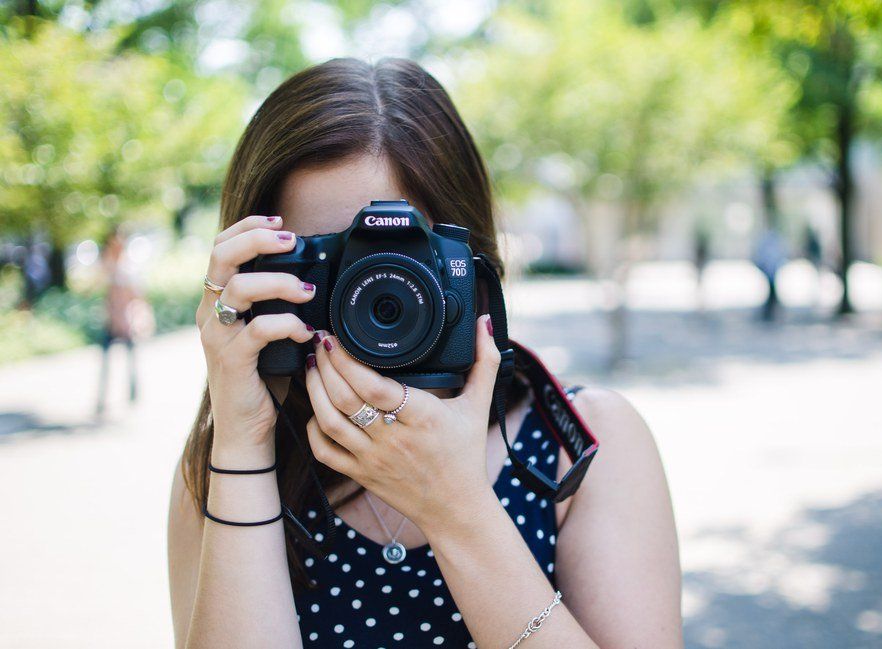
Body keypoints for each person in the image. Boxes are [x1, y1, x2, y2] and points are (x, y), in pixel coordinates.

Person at [168, 58, 681, 649]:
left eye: (398, 258)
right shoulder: (222, 467)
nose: (369, 298)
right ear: (260, 270)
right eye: (331, 264)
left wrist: (454, 507)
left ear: (472, 269)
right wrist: (241, 439)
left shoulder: (583, 446)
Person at [95, 228, 151, 417]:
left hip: (126, 322)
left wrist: (138, 319)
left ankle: (133, 394)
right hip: (110, 321)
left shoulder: (129, 269)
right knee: (107, 362)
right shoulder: (110, 267)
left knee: (130, 360)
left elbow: (138, 297)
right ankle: (102, 399)